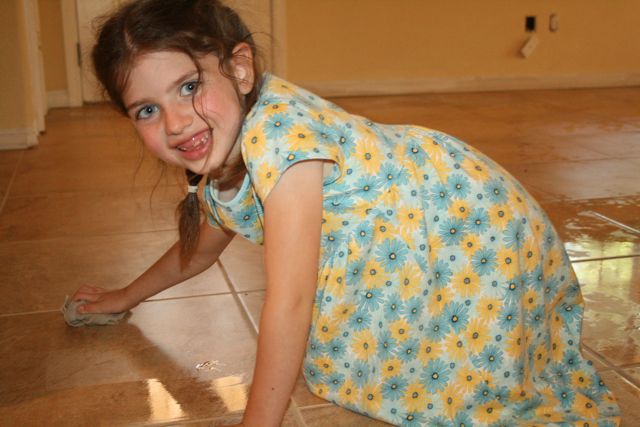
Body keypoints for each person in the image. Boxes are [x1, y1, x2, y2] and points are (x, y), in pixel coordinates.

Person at [71, 0, 621, 426]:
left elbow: (290, 302)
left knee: (470, 385)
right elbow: (198, 252)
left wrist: (257, 420)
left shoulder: (280, 140)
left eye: (189, 87)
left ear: (240, 69)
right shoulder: (224, 146)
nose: (175, 123)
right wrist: (125, 296)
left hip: (468, 223)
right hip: (419, 215)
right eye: (147, 109)